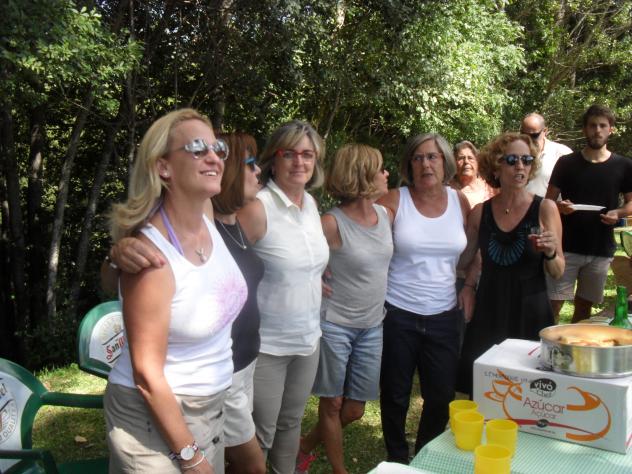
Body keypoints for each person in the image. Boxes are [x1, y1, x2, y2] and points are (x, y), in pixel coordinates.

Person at [102, 132, 267, 474]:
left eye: (218, 148)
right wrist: (190, 457)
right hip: (157, 416)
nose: (214, 156)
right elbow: (147, 375)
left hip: (210, 404)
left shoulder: (205, 216)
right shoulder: (152, 255)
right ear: (163, 166)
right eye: (196, 148)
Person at [237, 120, 329, 474]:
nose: (299, 162)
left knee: (290, 423)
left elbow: (305, 263)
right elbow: (226, 269)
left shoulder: (311, 204)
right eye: (289, 153)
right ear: (273, 160)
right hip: (266, 345)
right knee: (259, 433)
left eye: (307, 154)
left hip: (307, 340)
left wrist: (311, 279)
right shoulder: (257, 207)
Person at [296, 144, 393, 474]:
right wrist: (313, 278)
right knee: (333, 403)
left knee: (354, 410)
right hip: (335, 323)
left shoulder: (385, 216)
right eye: (380, 169)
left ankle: (304, 446)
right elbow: (296, 259)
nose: (386, 174)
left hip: (372, 324)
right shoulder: (330, 223)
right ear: (362, 175)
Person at [377, 133, 469, 463]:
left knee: (441, 396)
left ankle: (424, 458)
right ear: (409, 165)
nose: (425, 164)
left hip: (444, 314)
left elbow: (473, 249)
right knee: (395, 394)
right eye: (417, 158)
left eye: (432, 157)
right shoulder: (394, 199)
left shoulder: (459, 202)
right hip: (398, 313)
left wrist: (470, 285)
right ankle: (397, 459)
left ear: (445, 162)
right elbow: (362, 235)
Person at [458, 132, 564, 396]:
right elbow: (464, 260)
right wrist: (467, 286)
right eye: (512, 160)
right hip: (489, 310)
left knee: (530, 393)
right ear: (496, 166)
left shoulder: (545, 208)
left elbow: (558, 271)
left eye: (527, 160)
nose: (520, 166)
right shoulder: (480, 212)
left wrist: (551, 253)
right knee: (483, 391)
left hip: (530, 310)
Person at [545, 104, 632, 323]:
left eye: (602, 125)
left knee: (584, 308)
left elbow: (631, 203)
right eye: (593, 125)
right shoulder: (566, 163)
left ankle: (576, 345)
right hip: (565, 247)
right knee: (553, 305)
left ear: (611, 129)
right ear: (585, 129)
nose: (597, 130)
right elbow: (548, 201)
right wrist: (560, 207)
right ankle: (545, 342)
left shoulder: (623, 165)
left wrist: (618, 213)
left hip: (599, 250)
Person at [521, 113, 572, 198]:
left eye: (534, 135)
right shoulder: (514, 153)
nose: (529, 139)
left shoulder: (562, 153)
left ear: (545, 131)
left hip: (550, 205)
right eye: (524, 135)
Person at [450, 140, 496, 208]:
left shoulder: (490, 189)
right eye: (461, 158)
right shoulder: (446, 190)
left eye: (470, 158)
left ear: (478, 163)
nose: (466, 161)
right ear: (454, 163)